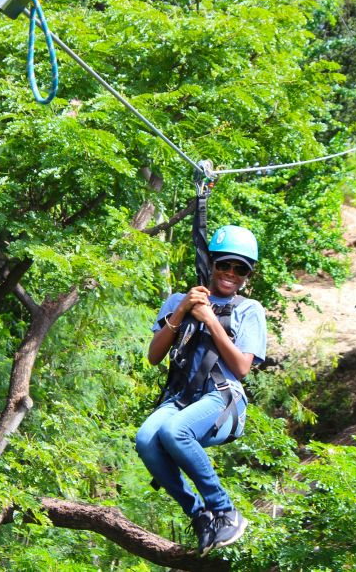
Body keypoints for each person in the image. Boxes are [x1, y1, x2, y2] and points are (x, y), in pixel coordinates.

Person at [135, 225, 267, 555]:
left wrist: (209, 320)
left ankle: (224, 509)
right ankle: (200, 516)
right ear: (212, 264)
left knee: (174, 431)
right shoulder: (180, 301)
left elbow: (242, 368)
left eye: (240, 269)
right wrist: (182, 311)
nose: (230, 274)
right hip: (181, 397)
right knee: (146, 440)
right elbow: (154, 356)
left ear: (247, 275)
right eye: (224, 265)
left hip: (223, 400)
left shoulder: (249, 310)